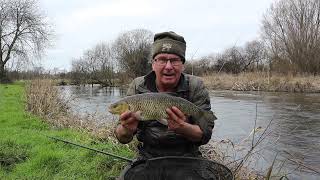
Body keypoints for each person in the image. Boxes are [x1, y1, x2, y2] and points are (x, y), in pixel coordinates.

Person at [114, 31, 217, 178]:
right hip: (148, 157)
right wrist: (127, 129)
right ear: (153, 63)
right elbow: (122, 138)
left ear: (182, 65)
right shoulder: (138, 85)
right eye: (162, 59)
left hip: (187, 157)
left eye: (174, 60)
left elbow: (204, 136)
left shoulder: (195, 85)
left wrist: (182, 128)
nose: (168, 66)